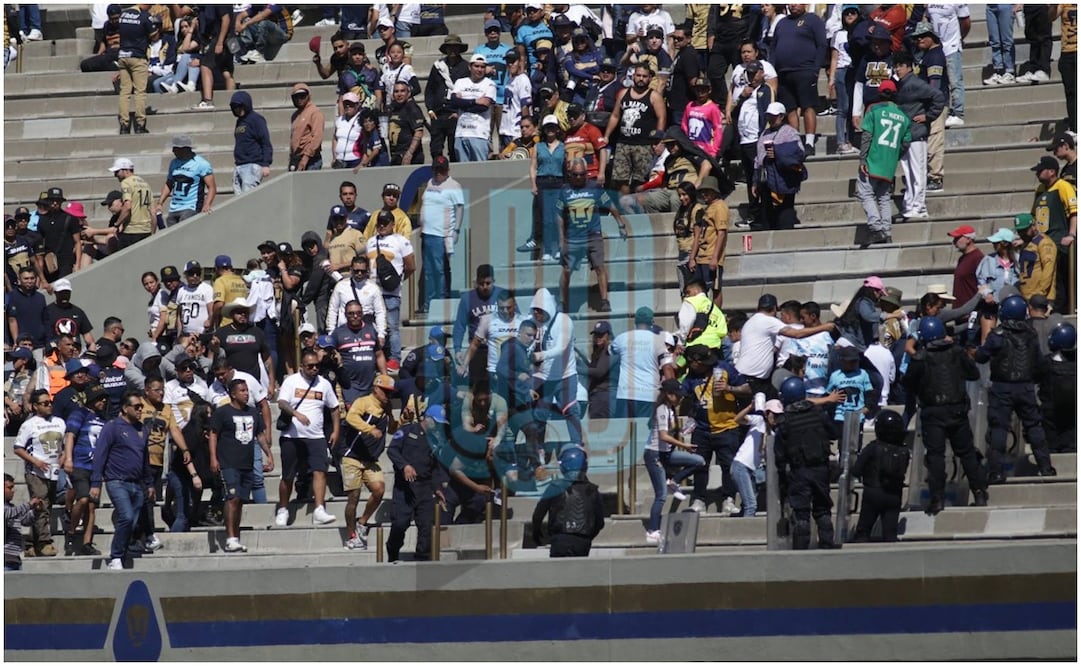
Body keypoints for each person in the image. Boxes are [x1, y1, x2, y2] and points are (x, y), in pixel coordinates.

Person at [902, 316, 988, 515]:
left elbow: (908, 384)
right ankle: (979, 492)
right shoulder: (956, 353)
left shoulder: (920, 357)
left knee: (935, 457)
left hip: (933, 412)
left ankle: (937, 499)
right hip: (957, 409)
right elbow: (973, 374)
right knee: (966, 453)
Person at [974, 295, 1057, 481]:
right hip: (1025, 387)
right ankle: (1045, 467)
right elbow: (1038, 361)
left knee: (999, 429)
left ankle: (995, 471)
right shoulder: (1030, 334)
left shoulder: (997, 335)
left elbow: (982, 356)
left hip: (1002, 388)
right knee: (1034, 427)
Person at [681, 344, 750, 515]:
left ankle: (729, 498)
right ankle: (699, 499)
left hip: (727, 426)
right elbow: (682, 394)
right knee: (699, 464)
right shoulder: (691, 377)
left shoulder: (724, 369)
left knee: (728, 465)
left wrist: (729, 388)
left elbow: (747, 388)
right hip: (702, 429)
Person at [274, 349, 340, 527]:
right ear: (302, 366)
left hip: (316, 436)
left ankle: (319, 509)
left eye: (317, 366)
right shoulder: (291, 381)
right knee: (288, 475)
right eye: (310, 366)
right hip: (292, 436)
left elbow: (334, 407)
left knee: (320, 471)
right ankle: (283, 508)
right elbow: (281, 402)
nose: (314, 369)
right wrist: (296, 414)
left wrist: (335, 430)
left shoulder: (324, 384)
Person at [555, 158, 629, 312]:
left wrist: (620, 223)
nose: (579, 177)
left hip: (593, 235)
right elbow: (559, 215)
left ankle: (604, 300)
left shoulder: (594, 188)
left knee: (599, 267)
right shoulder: (564, 190)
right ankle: (562, 301)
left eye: (582, 174)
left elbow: (610, 205)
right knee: (566, 270)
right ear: (570, 174)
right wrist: (561, 239)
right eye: (575, 175)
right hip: (572, 237)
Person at [90, 390, 152, 569]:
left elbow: (144, 457)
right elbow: (100, 454)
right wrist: (96, 483)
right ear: (125, 408)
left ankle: (122, 552)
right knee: (126, 516)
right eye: (136, 406)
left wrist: (149, 483)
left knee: (131, 522)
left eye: (142, 406)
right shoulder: (112, 426)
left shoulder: (142, 429)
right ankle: (115, 556)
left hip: (136, 483)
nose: (140, 410)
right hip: (116, 480)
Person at [210, 377, 271, 553]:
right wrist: (213, 458)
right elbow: (213, 434)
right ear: (233, 394)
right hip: (229, 462)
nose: (246, 394)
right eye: (242, 391)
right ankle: (230, 538)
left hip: (247, 463)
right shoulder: (222, 413)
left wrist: (269, 455)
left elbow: (259, 435)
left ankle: (236, 535)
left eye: (247, 390)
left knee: (241, 500)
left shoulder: (253, 412)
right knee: (232, 498)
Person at [774, 377, 836, 549]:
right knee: (823, 510)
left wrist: (782, 480)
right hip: (821, 469)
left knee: (801, 514)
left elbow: (779, 455)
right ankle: (827, 546)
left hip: (799, 471)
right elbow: (833, 432)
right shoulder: (818, 414)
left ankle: (801, 551)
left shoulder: (785, 421)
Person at [643, 379, 705, 543]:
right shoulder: (662, 409)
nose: (680, 399)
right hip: (654, 454)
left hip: (666, 453)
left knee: (699, 461)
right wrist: (684, 445)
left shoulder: (671, 409)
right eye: (677, 396)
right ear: (669, 395)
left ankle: (674, 481)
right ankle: (653, 530)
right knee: (661, 496)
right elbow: (663, 436)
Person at [342, 373, 397, 550]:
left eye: (390, 393)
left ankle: (362, 522)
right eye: (385, 392)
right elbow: (351, 417)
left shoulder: (385, 409)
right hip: (353, 456)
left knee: (379, 490)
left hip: (371, 459)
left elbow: (392, 430)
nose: (388, 396)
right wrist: (369, 429)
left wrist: (393, 416)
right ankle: (351, 536)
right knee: (354, 497)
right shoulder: (364, 402)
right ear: (376, 388)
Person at [385, 407, 446, 562]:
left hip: (425, 488)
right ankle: (392, 552)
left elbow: (436, 468)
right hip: (405, 488)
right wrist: (404, 465)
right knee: (400, 523)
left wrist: (437, 488)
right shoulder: (406, 430)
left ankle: (422, 559)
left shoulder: (436, 440)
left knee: (426, 527)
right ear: (428, 419)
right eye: (437, 422)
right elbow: (392, 451)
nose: (438, 426)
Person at [856, 79, 911, 248]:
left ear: (879, 93)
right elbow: (906, 142)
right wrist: (895, 155)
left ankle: (876, 227)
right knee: (884, 197)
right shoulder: (904, 117)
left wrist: (862, 158)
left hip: (873, 159)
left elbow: (866, 136)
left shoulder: (873, 110)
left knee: (865, 192)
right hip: (889, 163)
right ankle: (887, 232)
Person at [892, 50, 945, 222]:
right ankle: (909, 205)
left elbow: (938, 96)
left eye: (901, 66)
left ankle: (919, 207)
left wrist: (928, 116)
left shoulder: (915, 83)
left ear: (909, 67)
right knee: (908, 172)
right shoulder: (900, 84)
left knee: (918, 172)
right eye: (896, 66)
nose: (897, 69)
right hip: (905, 134)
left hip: (916, 133)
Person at [12, 388, 64, 557]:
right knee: (40, 505)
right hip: (35, 472)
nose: (49, 406)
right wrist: (36, 462)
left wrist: (63, 457)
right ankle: (44, 542)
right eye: (45, 403)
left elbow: (63, 444)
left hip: (54, 471)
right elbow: (18, 448)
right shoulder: (29, 425)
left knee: (45, 507)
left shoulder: (59, 422)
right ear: (35, 406)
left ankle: (30, 544)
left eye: (50, 402)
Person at [769, 4, 827, 156]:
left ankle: (809, 141)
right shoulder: (781, 23)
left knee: (807, 106)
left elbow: (822, 45)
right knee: (790, 108)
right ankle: (795, 140)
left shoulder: (812, 20)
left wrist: (815, 69)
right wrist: (772, 68)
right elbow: (773, 48)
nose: (793, 4)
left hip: (805, 70)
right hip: (783, 73)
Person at [605, 64, 667, 196]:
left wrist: (658, 140)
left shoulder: (654, 96)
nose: (641, 79)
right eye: (638, 75)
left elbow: (661, 118)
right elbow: (615, 116)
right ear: (633, 76)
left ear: (650, 78)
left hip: (644, 144)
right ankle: (625, 206)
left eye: (644, 76)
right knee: (621, 179)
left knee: (640, 179)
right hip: (623, 143)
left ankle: (637, 209)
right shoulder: (623, 93)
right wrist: (606, 135)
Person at [531, 446, 604, 557]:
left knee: (559, 571)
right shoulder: (592, 490)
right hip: (583, 539)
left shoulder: (555, 487)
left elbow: (538, 514)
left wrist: (537, 532)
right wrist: (588, 536)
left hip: (560, 537)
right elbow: (599, 522)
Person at [849, 409, 911, 542]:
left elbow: (856, 470)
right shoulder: (904, 451)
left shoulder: (873, 447)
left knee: (863, 531)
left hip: (873, 492)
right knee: (890, 534)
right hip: (894, 494)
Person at [366, 210, 416, 372]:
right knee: (375, 327)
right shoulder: (371, 241)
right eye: (379, 222)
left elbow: (411, 266)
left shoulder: (401, 241)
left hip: (391, 292)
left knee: (392, 326)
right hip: (373, 292)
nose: (382, 225)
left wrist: (397, 281)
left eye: (386, 223)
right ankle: (379, 357)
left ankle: (394, 358)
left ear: (393, 225)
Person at [1030, 154, 1078, 314]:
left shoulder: (1063, 186)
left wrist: (1071, 234)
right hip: (1042, 241)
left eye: (1040, 171)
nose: (1037, 174)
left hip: (1058, 239)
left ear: (1051, 171)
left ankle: (1062, 307)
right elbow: (1034, 216)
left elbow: (1074, 212)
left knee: (1059, 277)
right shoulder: (1040, 190)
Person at [418, 156, 465, 313]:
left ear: (448, 170)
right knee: (428, 271)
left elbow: (459, 208)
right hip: (427, 233)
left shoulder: (453, 185)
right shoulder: (430, 182)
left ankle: (441, 302)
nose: (438, 173)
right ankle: (428, 303)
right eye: (436, 170)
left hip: (441, 235)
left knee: (440, 270)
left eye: (442, 170)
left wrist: (456, 230)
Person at [753, 102, 805, 231]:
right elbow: (758, 158)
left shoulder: (790, 132)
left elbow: (798, 153)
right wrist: (755, 181)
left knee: (784, 215)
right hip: (766, 179)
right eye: (769, 116)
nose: (770, 119)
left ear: (782, 116)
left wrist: (777, 152)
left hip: (784, 180)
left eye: (773, 116)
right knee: (767, 215)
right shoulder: (764, 133)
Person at [156, 135, 215, 227]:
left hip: (191, 206)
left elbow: (211, 187)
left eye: (175, 148)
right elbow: (169, 184)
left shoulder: (201, 164)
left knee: (185, 228)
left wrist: (207, 204)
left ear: (185, 149)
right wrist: (160, 203)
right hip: (174, 207)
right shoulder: (174, 163)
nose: (173, 151)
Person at [116, 4, 155, 134]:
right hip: (138, 56)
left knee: (125, 92)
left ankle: (124, 125)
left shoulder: (123, 15)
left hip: (123, 55)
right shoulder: (145, 17)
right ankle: (140, 124)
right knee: (140, 92)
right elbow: (154, 36)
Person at [326, 254, 387, 335]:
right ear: (351, 270)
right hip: (344, 331)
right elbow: (333, 310)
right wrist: (331, 331)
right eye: (356, 271)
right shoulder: (340, 286)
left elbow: (380, 312)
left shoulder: (374, 288)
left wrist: (381, 334)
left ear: (367, 270)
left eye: (363, 271)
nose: (359, 273)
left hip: (367, 331)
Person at [1039, 322, 1076, 453]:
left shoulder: (1046, 361)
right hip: (1073, 408)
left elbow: (1036, 377)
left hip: (1051, 408)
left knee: (1051, 438)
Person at [230, 90, 273, 193]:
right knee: (238, 201)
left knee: (248, 198)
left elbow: (265, 142)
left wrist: (266, 164)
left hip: (252, 165)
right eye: (235, 107)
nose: (238, 110)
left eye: (240, 106)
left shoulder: (256, 119)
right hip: (239, 165)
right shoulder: (239, 122)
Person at [1014, 213, 1058, 303]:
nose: (1021, 234)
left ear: (1034, 226)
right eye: (1019, 231)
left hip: (1041, 298)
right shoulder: (1026, 244)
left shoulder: (1044, 242)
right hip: (1027, 296)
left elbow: (1048, 269)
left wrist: (1040, 293)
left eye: (1024, 230)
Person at [5, 473, 44, 571]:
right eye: (10, 488)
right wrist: (29, 505)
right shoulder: (9, 510)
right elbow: (8, 513)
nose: (13, 491)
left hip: (14, 559)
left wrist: (36, 511)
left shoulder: (12, 507)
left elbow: (26, 521)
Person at [386, 81, 426, 165]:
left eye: (402, 91)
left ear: (408, 93)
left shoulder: (412, 108)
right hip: (396, 155)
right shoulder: (393, 108)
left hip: (411, 158)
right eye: (396, 91)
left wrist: (409, 153)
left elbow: (419, 132)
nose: (399, 94)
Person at [976, 228, 1021, 300]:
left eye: (996, 242)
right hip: (993, 305)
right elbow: (981, 280)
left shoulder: (1019, 260)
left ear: (1005, 243)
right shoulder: (988, 260)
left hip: (1014, 304)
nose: (993, 244)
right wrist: (987, 294)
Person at [289, 82, 325, 171]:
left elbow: (317, 137)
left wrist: (306, 157)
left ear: (308, 96)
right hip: (296, 158)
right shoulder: (295, 115)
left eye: (302, 96)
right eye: (296, 97)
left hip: (311, 159)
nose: (299, 99)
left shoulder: (315, 112)